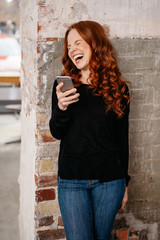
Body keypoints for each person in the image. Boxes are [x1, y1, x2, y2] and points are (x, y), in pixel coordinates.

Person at [49, 20, 130, 240]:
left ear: (95, 44)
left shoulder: (118, 89)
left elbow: (122, 139)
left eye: (78, 42)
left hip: (109, 181)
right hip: (72, 180)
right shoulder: (63, 86)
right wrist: (62, 107)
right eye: (69, 46)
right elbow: (56, 131)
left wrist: (125, 183)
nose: (72, 49)